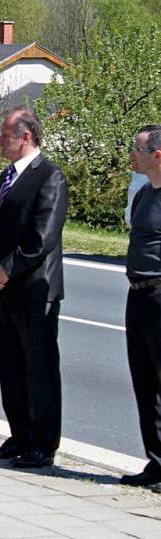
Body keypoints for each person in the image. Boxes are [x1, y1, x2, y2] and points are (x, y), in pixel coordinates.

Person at [0, 106, 68, 469]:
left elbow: (42, 236)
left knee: (39, 368)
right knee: (11, 366)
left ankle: (42, 444)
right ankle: (19, 435)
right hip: (5, 289)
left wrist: (6, 270)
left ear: (25, 137)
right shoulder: (7, 175)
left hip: (34, 289)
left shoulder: (49, 177)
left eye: (4, 136)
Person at [120, 125, 161, 492]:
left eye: (138, 149)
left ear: (157, 154)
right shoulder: (144, 193)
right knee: (145, 381)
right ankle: (156, 460)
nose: (132, 154)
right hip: (138, 294)